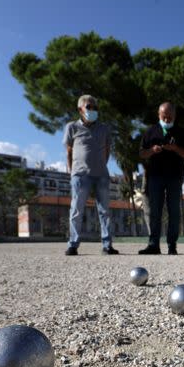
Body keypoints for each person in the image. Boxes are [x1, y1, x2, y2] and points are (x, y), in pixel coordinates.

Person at [63, 94, 117, 256]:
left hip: (101, 175)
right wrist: (73, 171)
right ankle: (73, 244)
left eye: (95, 108)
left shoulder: (104, 128)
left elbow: (107, 150)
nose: (93, 110)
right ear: (80, 109)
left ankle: (107, 245)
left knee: (105, 211)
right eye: (89, 107)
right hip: (80, 175)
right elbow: (69, 151)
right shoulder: (72, 127)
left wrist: (101, 165)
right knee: (77, 210)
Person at [138, 102, 184, 255]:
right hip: (155, 177)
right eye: (164, 117)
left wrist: (175, 148)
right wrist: (152, 151)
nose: (167, 120)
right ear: (159, 115)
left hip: (175, 177)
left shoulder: (181, 132)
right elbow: (141, 153)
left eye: (170, 117)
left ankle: (172, 245)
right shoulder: (150, 131)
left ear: (175, 116)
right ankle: (153, 244)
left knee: (174, 212)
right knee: (155, 211)